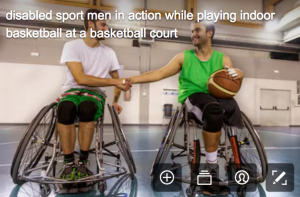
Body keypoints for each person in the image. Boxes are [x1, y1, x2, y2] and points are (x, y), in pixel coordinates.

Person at [128, 20, 244, 194]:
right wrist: (131, 80)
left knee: (231, 105)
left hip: (215, 97)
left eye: (197, 30)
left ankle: (237, 160)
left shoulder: (222, 58)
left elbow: (234, 78)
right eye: (192, 31)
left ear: (210, 33)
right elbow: (160, 73)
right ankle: (211, 170)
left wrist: (240, 73)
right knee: (213, 110)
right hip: (193, 97)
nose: (193, 34)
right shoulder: (184, 57)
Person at [57, 8, 131, 185]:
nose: (107, 28)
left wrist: (115, 101)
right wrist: (113, 82)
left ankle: (82, 161)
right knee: (65, 108)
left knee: (87, 108)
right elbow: (80, 78)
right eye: (103, 24)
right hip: (73, 90)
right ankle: (68, 163)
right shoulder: (72, 46)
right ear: (91, 24)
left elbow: (118, 81)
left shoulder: (110, 53)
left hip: (95, 95)